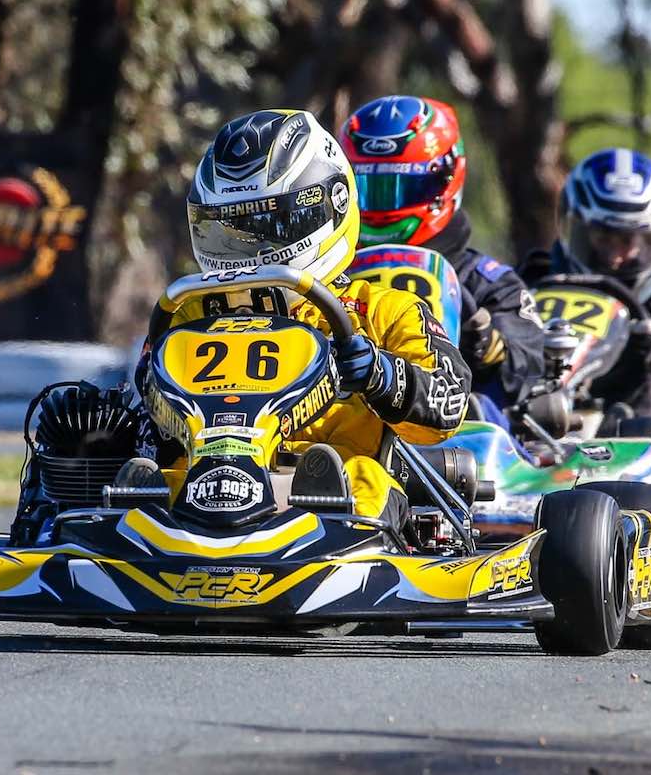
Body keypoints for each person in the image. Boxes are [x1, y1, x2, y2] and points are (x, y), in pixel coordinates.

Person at [155, 108, 472, 523]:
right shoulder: (189, 312)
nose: (247, 251)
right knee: (156, 481)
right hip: (207, 486)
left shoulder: (383, 310)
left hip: (334, 499)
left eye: (267, 226)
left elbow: (448, 407)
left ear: (329, 206)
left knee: (363, 478)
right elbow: (151, 422)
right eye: (229, 232)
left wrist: (383, 376)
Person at [338, 95, 545, 404]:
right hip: (345, 427)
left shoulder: (487, 282)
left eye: (403, 187)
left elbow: (531, 360)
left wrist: (488, 344)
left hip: (458, 434)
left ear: (447, 179)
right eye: (370, 189)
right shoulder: (331, 275)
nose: (385, 208)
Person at [519, 148, 651, 418]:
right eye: (603, 238)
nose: (614, 258)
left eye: (626, 241)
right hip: (534, 409)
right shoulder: (531, 282)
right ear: (576, 228)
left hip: (634, 430)